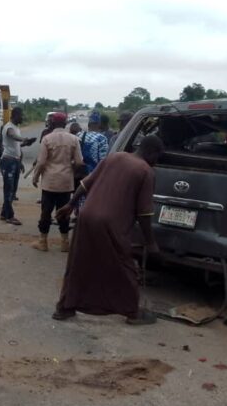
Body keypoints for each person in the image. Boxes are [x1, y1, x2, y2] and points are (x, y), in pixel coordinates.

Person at [52, 135, 165, 325]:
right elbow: (144, 214)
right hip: (111, 224)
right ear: (152, 153)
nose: (157, 162)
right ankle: (132, 312)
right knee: (124, 265)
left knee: (79, 263)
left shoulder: (114, 157)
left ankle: (64, 308)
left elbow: (85, 183)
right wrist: (151, 243)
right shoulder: (145, 171)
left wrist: (70, 205)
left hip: (86, 216)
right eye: (158, 157)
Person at [31, 112, 83, 252]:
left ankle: (43, 242)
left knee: (46, 212)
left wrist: (35, 177)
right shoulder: (74, 139)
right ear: (65, 124)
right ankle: (64, 242)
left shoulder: (47, 139)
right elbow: (79, 162)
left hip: (50, 182)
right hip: (66, 182)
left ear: (52, 123)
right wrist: (69, 168)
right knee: (64, 212)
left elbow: (41, 162)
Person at [0, 107, 35, 225]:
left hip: (14, 161)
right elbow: (13, 136)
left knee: (12, 190)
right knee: (9, 190)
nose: (23, 117)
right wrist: (23, 139)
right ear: (15, 115)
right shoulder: (9, 127)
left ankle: (4, 214)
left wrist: (20, 160)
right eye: (21, 115)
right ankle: (10, 216)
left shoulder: (16, 128)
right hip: (8, 161)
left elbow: (17, 146)